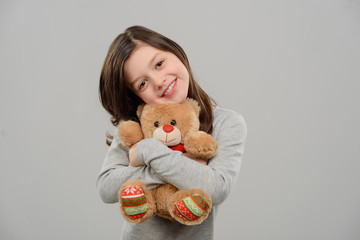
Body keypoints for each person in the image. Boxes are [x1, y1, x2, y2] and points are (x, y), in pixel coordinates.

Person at [97, 25, 247, 240]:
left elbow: (216, 188)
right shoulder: (136, 127)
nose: (159, 82)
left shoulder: (227, 123)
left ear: (175, 51)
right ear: (136, 96)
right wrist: (183, 165)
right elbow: (106, 187)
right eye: (142, 83)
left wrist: (147, 153)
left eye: (159, 64)